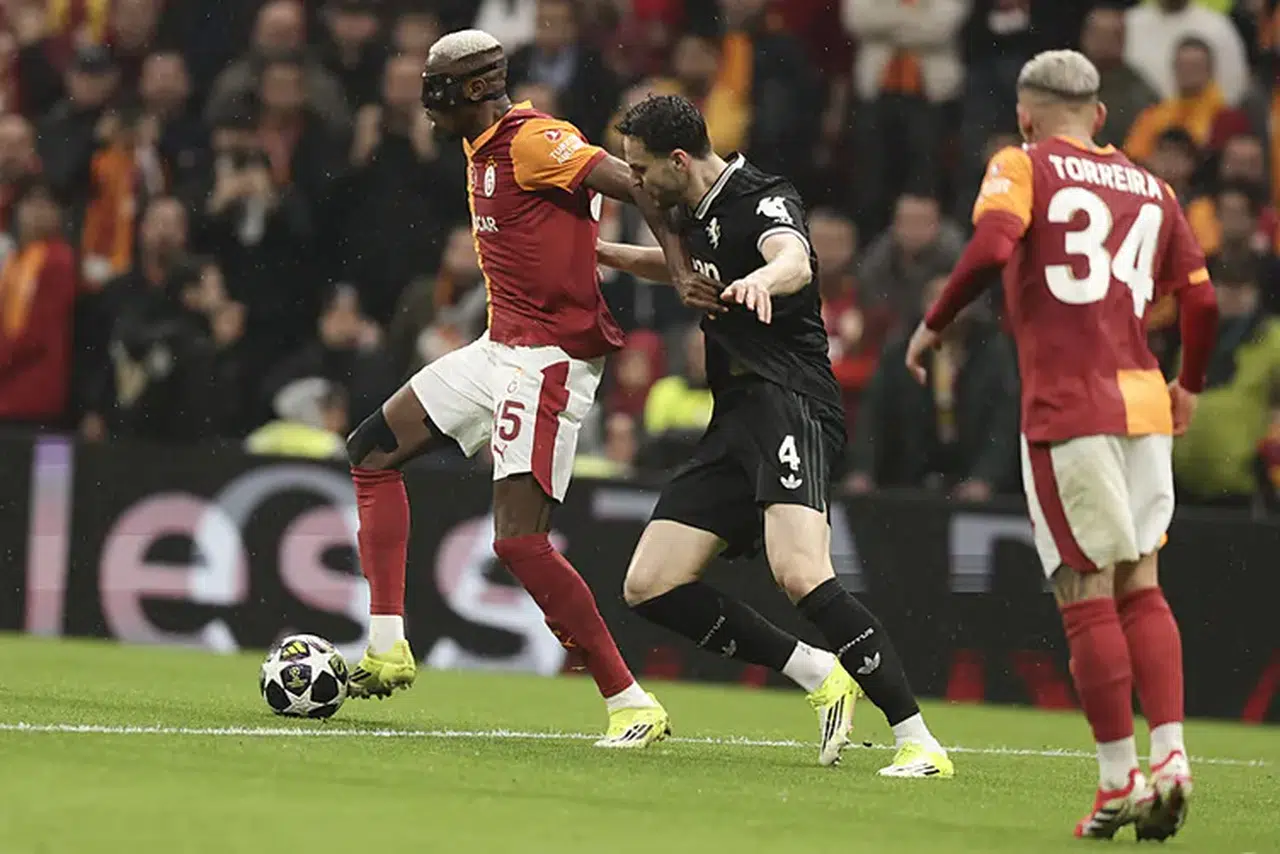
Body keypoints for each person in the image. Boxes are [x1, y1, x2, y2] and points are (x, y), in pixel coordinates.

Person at [343, 30, 721, 749]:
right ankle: (387, 644)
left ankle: (630, 702)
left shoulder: (536, 142)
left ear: (476, 90)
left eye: (437, 90)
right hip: (500, 347)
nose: (428, 105)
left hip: (548, 361)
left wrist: (677, 270)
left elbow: (643, 184)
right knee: (371, 452)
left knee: (519, 542)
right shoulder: (479, 144)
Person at [904, 50, 1218, 839]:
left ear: (1025, 114)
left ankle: (1118, 781)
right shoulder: (1153, 187)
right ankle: (1172, 758)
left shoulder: (1023, 163)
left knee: (1084, 592)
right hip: (1144, 403)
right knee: (1142, 584)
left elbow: (990, 248)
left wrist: (935, 322)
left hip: (1068, 404)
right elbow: (1202, 299)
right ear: (1100, 115)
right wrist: (1188, 384)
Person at [598, 94, 951, 776]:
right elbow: (680, 270)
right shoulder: (689, 212)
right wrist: (600, 254)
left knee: (801, 573)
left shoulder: (760, 198)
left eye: (640, 169)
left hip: (791, 403)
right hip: (735, 416)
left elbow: (793, 258)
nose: (634, 181)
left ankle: (920, 742)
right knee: (650, 583)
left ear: (679, 160)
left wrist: (763, 280)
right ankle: (818, 672)